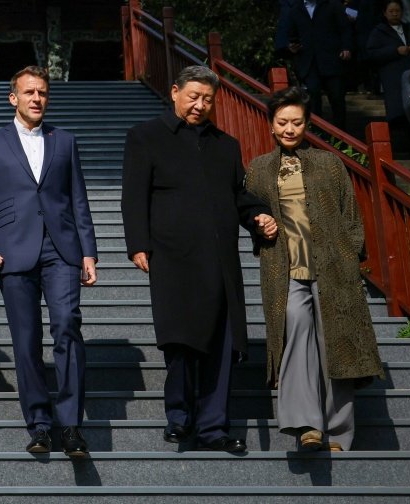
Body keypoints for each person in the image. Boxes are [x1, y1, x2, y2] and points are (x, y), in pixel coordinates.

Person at [121, 65, 277, 453]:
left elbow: (238, 194)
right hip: (171, 257)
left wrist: (258, 214)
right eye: (193, 96)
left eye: (208, 99)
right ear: (175, 92)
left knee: (221, 344)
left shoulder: (226, 145)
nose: (200, 105)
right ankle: (179, 417)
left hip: (219, 260)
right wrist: (138, 243)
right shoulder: (145, 136)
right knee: (180, 340)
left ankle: (213, 427)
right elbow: (133, 196)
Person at [245, 86, 385, 452]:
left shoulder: (329, 163)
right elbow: (249, 214)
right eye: (282, 122)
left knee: (336, 343)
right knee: (295, 330)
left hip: (334, 266)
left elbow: (351, 215)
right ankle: (306, 424)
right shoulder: (258, 168)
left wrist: (350, 256)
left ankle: (338, 432)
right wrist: (259, 227)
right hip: (284, 268)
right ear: (271, 124)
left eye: (297, 122)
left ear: (307, 123)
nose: (289, 129)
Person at [0, 65, 98, 457]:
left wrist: (88, 251)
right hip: (13, 250)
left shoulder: (65, 141)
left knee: (67, 326)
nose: (36, 98)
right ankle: (40, 424)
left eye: (42, 92)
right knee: (26, 341)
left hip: (62, 250)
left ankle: (71, 425)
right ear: (14, 98)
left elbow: (78, 199)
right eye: (29, 92)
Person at [366, 0, 410, 159]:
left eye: (397, 11)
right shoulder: (379, 31)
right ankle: (400, 152)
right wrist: (395, 50)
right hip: (393, 79)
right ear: (385, 13)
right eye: (391, 11)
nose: (395, 14)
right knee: (398, 114)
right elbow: (371, 54)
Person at [287, 0, 354, 130]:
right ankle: (316, 137)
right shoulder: (295, 10)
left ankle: (341, 138)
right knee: (312, 100)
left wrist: (346, 48)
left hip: (333, 60)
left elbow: (345, 29)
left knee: (337, 99)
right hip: (309, 62)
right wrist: (292, 47)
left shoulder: (333, 5)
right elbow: (291, 35)